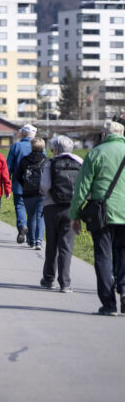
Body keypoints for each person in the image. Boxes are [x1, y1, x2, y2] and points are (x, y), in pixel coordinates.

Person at [69, 120, 125, 316]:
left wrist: (75, 215)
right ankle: (124, 291)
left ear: (103, 135)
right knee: (123, 254)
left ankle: (109, 304)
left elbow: (81, 188)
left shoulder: (96, 153)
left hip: (103, 213)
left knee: (103, 256)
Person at [40, 135, 82, 292]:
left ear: (56, 149)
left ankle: (49, 279)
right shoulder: (79, 162)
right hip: (71, 209)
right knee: (66, 246)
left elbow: (45, 185)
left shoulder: (51, 163)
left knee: (51, 244)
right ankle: (65, 283)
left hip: (52, 207)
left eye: (52, 149)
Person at [14, 138, 48, 250]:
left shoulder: (24, 160)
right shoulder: (46, 161)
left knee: (31, 217)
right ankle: (39, 241)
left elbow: (18, 176)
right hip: (42, 192)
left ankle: (31, 240)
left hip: (28, 192)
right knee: (40, 217)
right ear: (42, 147)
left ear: (32, 147)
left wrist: (25, 185)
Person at [6, 124, 37, 244]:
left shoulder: (16, 146)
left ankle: (22, 225)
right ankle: (33, 237)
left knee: (19, 205)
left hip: (19, 183)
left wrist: (7, 180)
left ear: (23, 133)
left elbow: (9, 165)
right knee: (33, 210)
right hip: (35, 184)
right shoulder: (39, 146)